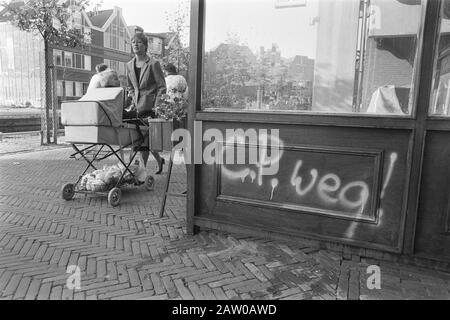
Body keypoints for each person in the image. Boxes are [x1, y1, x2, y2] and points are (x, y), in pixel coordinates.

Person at [124, 33, 166, 174]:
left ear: (145, 46)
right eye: (133, 42)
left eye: (139, 42)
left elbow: (162, 86)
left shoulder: (153, 63)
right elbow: (130, 85)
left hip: (150, 107)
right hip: (136, 107)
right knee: (139, 140)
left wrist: (157, 105)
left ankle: (141, 172)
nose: (135, 44)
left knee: (144, 141)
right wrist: (131, 98)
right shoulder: (129, 65)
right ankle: (158, 161)